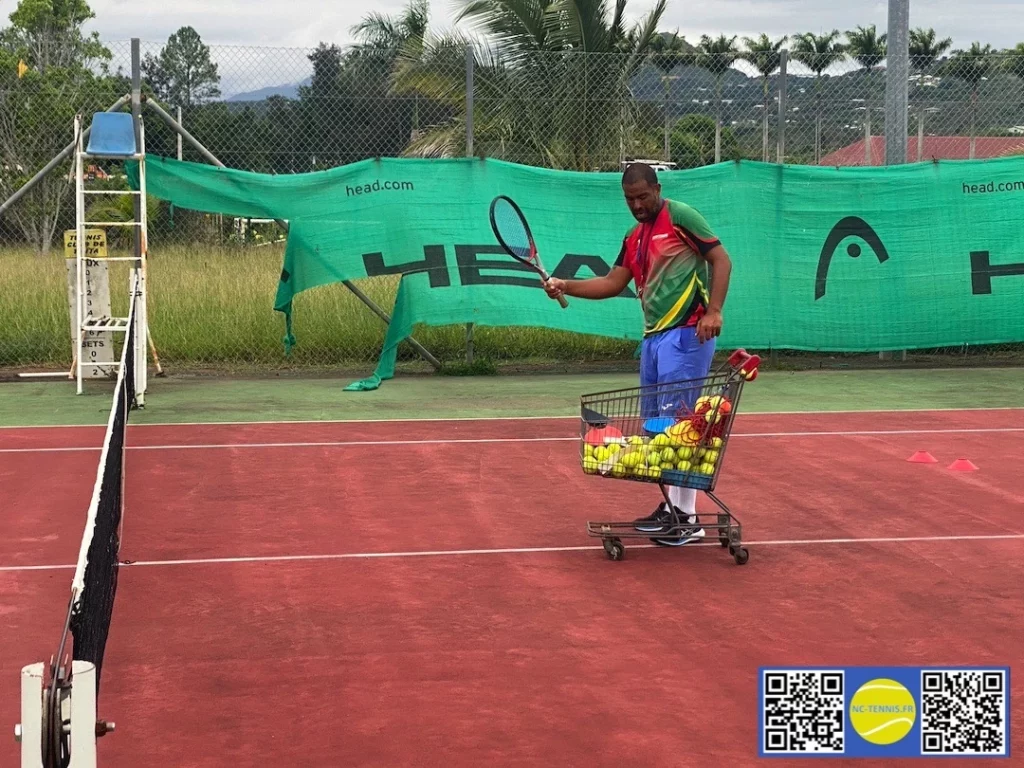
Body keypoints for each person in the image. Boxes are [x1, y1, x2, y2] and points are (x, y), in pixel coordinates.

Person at [542, 162, 733, 546]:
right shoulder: (634, 236)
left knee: (682, 429)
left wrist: (714, 311)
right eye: (630, 199)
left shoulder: (680, 216)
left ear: (657, 189)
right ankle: (673, 507)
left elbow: (721, 259)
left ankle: (688, 517)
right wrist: (566, 285)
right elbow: (613, 283)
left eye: (643, 197)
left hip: (686, 334)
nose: (637, 205)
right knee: (660, 430)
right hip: (653, 340)